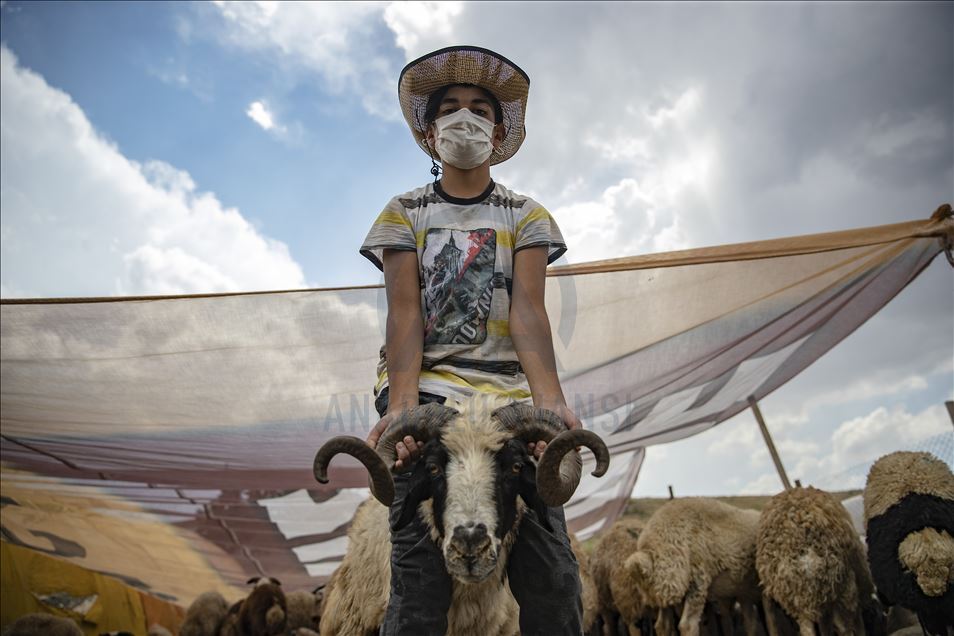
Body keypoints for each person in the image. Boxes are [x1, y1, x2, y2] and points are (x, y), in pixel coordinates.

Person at [358, 45, 583, 636]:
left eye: (479, 109)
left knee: (552, 575)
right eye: (450, 108)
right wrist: (402, 408)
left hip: (507, 408)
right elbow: (405, 315)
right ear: (430, 132)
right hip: (428, 401)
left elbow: (529, 313)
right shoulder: (403, 213)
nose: (465, 118)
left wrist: (551, 405)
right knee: (420, 579)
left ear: (499, 129)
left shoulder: (525, 215)